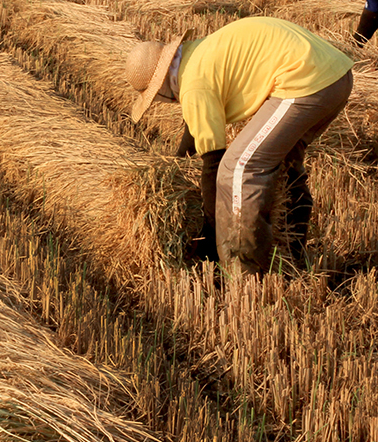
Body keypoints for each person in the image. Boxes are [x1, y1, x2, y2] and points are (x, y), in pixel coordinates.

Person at [125, 17, 354, 275]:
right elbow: (195, 126)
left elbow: (213, 164)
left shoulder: (193, 85)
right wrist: (178, 166)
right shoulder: (197, 55)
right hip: (335, 74)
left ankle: (243, 271)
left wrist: (209, 237)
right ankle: (292, 251)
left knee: (238, 168)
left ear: (161, 88)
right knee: (284, 162)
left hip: (305, 82)